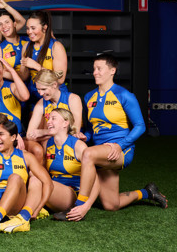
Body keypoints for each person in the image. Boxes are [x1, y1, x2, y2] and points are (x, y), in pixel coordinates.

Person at [66, 54, 167, 219]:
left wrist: (120, 145)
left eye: (99, 69)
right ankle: (147, 192)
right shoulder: (88, 97)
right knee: (111, 205)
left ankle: (80, 205)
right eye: (94, 69)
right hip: (101, 151)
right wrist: (85, 136)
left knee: (88, 154)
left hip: (120, 150)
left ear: (112, 70)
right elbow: (93, 128)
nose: (95, 72)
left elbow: (141, 126)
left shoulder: (124, 95)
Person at [25, 68, 84, 163]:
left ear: (54, 85)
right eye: (38, 89)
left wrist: (44, 132)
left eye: (44, 89)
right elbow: (29, 135)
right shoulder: (41, 103)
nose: (40, 93)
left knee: (46, 142)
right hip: (51, 144)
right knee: (45, 144)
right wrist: (54, 133)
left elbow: (74, 131)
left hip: (71, 143)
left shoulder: (73, 99)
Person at [20, 10, 67, 98]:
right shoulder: (26, 46)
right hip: (34, 94)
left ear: (44, 28)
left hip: (54, 95)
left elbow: (60, 79)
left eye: (33, 28)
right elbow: (24, 77)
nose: (29, 32)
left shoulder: (56, 47)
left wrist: (36, 66)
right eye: (27, 28)